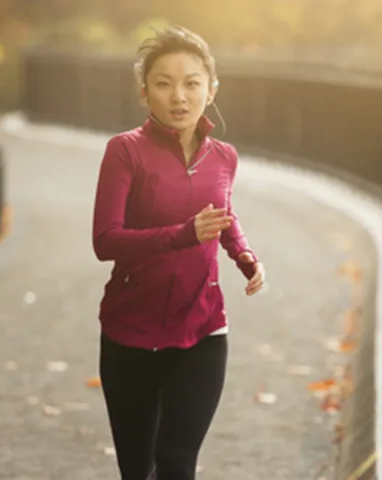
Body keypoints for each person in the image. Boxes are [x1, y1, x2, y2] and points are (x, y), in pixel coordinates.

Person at [92, 25, 265, 480]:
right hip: (130, 333)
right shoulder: (124, 151)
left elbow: (224, 214)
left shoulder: (224, 156)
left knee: (174, 461)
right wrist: (182, 235)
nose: (179, 96)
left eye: (192, 82)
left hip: (203, 329)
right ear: (144, 91)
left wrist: (244, 255)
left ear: (211, 90)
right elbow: (105, 240)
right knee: (138, 470)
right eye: (164, 83)